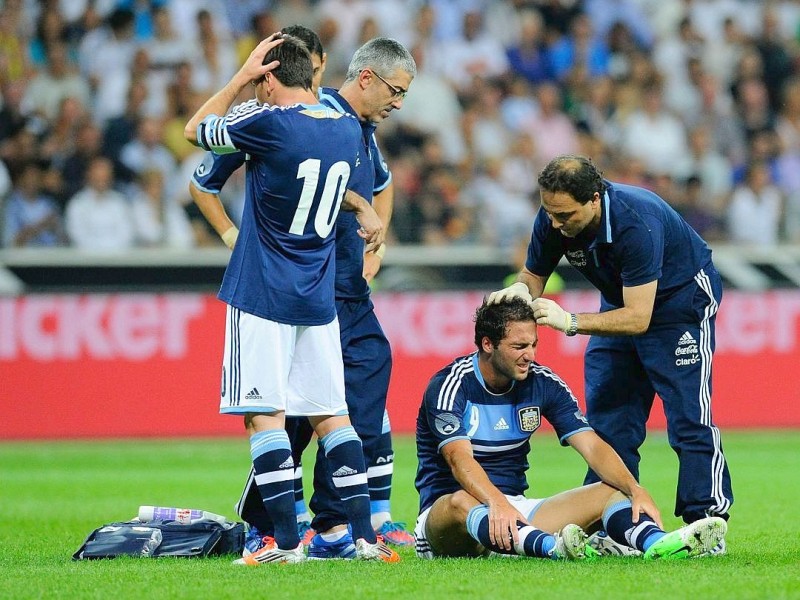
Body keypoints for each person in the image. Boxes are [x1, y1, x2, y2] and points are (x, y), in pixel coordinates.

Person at [190, 29, 417, 558]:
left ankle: (286, 540)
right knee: (329, 413)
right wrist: (362, 209)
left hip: (269, 288)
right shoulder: (343, 128)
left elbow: (194, 131)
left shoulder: (264, 122)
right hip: (318, 292)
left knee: (267, 414)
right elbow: (339, 188)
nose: (398, 102)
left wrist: (242, 77)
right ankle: (359, 536)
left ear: (268, 78)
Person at [488, 155, 733, 549]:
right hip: (622, 302)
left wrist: (570, 322)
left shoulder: (636, 220)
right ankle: (612, 522)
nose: (555, 224)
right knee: (608, 419)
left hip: (679, 304)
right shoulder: (554, 214)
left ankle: (708, 522)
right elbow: (533, 274)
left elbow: (638, 318)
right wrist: (519, 292)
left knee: (689, 417)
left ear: (595, 200)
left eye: (565, 215)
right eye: (549, 212)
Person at [414, 297, 727, 560]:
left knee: (609, 491)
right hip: (447, 521)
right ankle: (554, 547)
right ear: (487, 344)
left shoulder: (543, 383)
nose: (530, 355)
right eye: (519, 346)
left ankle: (657, 544)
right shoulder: (450, 386)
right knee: (460, 502)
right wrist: (496, 503)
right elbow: (460, 461)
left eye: (534, 345)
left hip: (515, 512)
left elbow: (591, 445)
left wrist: (635, 489)